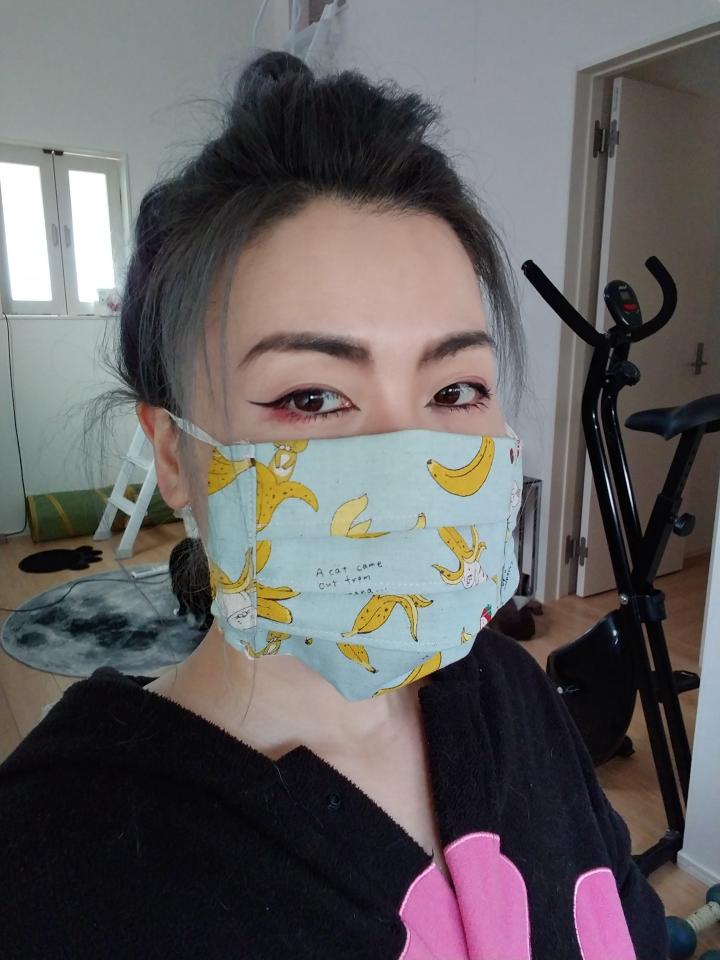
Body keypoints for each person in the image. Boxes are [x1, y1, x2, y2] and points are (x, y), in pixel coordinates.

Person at [0, 52, 667, 959]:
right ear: (175, 456)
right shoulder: (57, 869)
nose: (409, 463)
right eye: (312, 397)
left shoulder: (515, 694)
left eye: (456, 390)